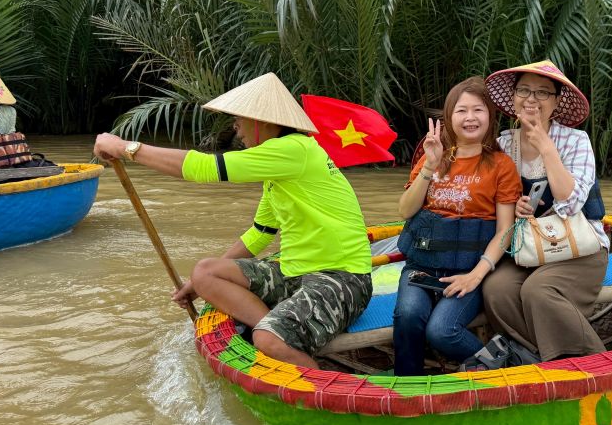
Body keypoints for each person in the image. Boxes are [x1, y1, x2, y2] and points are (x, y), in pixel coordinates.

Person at [93, 73, 373, 369]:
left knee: (269, 339)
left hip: (342, 278)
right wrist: (196, 285)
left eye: (239, 119)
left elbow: (203, 167)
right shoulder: (278, 170)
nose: (236, 129)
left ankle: (301, 368)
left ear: (262, 121)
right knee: (205, 273)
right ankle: (277, 334)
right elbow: (260, 233)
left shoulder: (294, 149)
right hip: (295, 272)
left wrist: (126, 148)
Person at [480, 60, 609, 363]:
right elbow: (491, 206)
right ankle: (535, 357)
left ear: (556, 101)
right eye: (524, 90)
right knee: (496, 290)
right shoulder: (503, 144)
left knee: (538, 290)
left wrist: (546, 147)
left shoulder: (576, 141)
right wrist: (515, 206)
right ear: (513, 97)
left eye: (542, 93)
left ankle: (592, 361)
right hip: (527, 249)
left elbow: (571, 201)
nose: (531, 99)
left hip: (578, 250)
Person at [393, 77, 521, 375]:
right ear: (449, 118)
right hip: (422, 265)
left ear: (490, 116)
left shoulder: (501, 165)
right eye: (462, 110)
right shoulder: (434, 157)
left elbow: (506, 230)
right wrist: (429, 165)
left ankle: (507, 366)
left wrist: (476, 276)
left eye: (478, 110)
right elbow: (405, 210)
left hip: (469, 268)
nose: (470, 117)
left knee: (442, 331)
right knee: (408, 316)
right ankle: (409, 390)